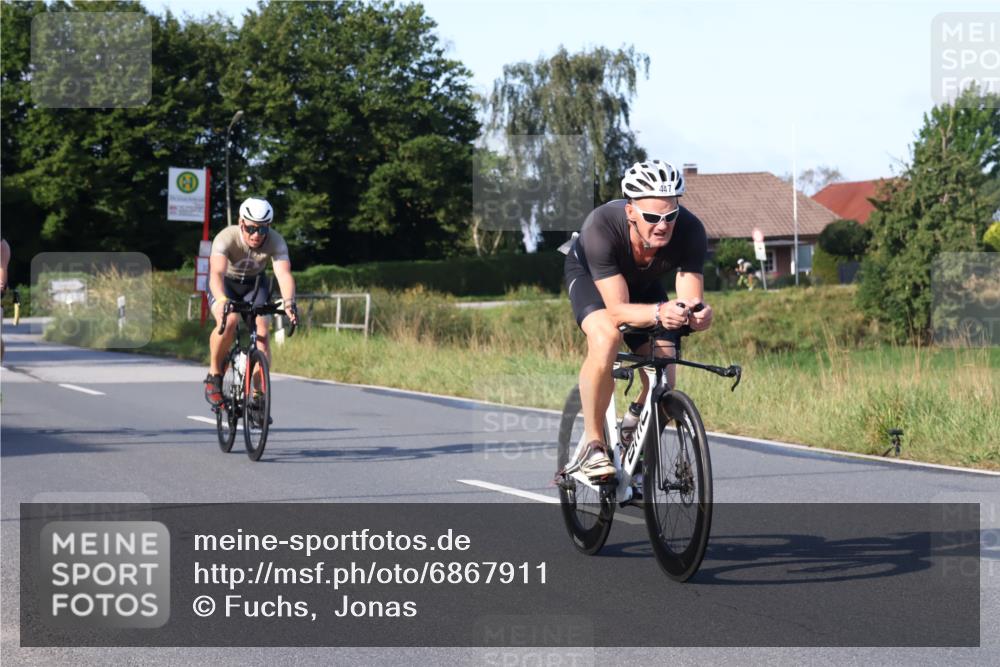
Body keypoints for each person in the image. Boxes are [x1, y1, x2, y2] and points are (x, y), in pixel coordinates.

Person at [564, 160, 713, 480]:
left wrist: (696, 314)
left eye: (670, 216)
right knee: (606, 336)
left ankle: (634, 432)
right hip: (592, 280)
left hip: (644, 286)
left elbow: (689, 296)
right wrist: (660, 312)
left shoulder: (691, 230)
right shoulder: (601, 226)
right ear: (631, 211)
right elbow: (617, 310)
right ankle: (593, 445)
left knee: (665, 378)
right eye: (652, 217)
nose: (663, 225)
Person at [203, 197, 298, 406]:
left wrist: (289, 302)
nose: (256, 235)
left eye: (262, 230)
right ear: (241, 222)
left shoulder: (276, 241)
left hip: (254, 285)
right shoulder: (226, 238)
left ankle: (257, 395)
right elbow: (216, 274)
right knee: (228, 321)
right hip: (225, 284)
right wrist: (221, 300)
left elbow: (283, 274)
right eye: (251, 228)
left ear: (269, 227)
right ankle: (214, 374)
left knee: (262, 335)